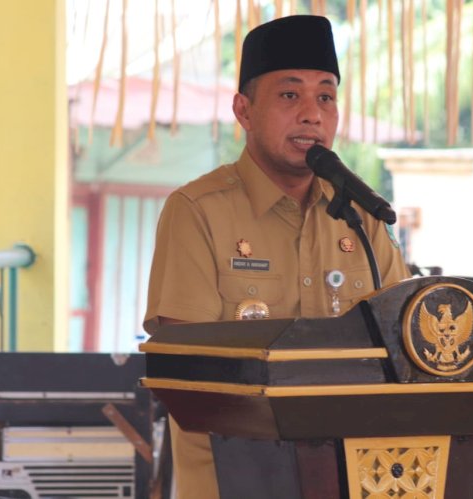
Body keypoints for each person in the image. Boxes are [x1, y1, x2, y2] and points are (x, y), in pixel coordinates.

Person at [144, 14, 410, 499]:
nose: (312, 115)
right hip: (235, 481)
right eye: (290, 95)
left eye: (326, 97)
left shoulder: (362, 218)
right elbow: (189, 375)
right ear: (243, 110)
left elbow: (406, 349)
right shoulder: (197, 212)